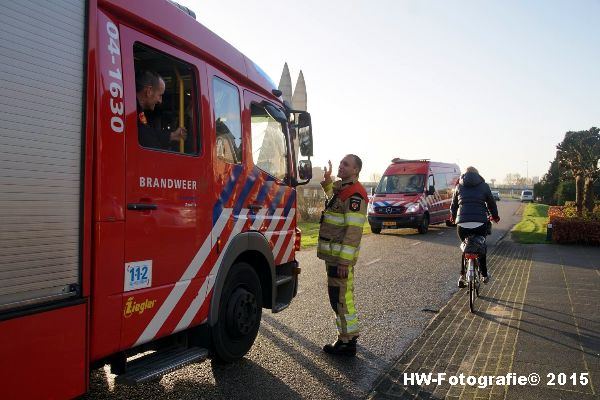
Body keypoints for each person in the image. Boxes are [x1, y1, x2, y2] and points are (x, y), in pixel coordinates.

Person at [317, 154, 368, 356]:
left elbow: (353, 231)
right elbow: (334, 201)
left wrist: (345, 261)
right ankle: (348, 336)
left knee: (340, 299)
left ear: (355, 170)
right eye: (341, 162)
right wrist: (328, 181)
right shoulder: (344, 189)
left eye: (346, 164)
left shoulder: (355, 194)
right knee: (338, 297)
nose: (341, 166)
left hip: (340, 259)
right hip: (334, 257)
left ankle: (346, 342)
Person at [450, 166, 500, 288]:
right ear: (478, 174)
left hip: (462, 224)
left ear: (465, 175)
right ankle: (484, 274)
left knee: (465, 247)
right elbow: (491, 203)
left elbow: (453, 205)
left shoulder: (459, 186)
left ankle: (462, 276)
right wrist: (495, 216)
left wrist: (452, 216)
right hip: (480, 223)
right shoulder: (484, 185)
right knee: (480, 247)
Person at [135, 70, 187, 150]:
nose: (160, 101)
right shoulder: (130, 112)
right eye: (160, 95)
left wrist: (172, 135)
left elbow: (148, 131)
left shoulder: (138, 111)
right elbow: (145, 137)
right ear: (149, 91)